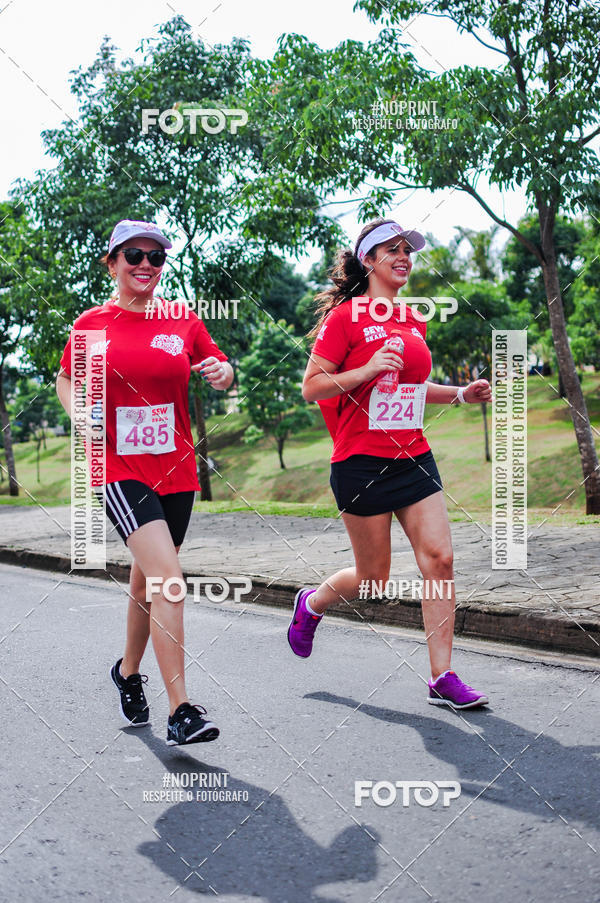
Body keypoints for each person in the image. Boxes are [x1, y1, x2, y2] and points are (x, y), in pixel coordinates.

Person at [288, 218, 492, 710]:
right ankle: (311, 603)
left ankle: (442, 676)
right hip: (360, 463)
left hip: (412, 456)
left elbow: (412, 388)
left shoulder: (413, 319)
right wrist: (367, 369)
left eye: (408, 249)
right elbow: (312, 386)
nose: (403, 256)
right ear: (368, 260)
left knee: (440, 559)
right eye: (392, 249)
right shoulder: (345, 318)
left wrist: (460, 394)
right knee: (373, 578)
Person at [56, 219, 234, 744]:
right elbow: (66, 379)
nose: (145, 265)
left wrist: (223, 373)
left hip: (176, 468)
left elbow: (218, 362)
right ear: (112, 263)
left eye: (155, 257)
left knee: (146, 581)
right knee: (169, 580)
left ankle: (127, 672)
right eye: (133, 255)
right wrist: (78, 414)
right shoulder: (92, 324)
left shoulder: (182, 319)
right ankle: (182, 710)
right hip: (118, 467)